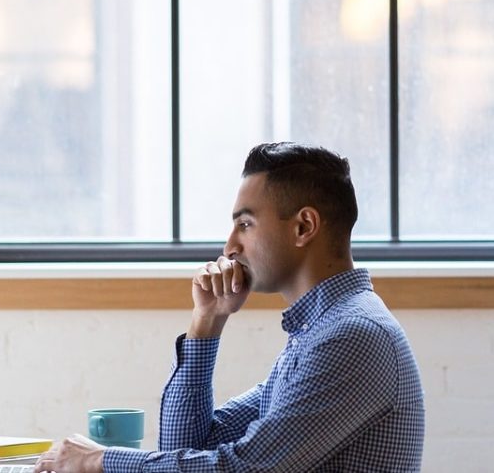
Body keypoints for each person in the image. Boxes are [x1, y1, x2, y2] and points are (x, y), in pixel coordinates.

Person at [36, 142, 425, 473]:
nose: (229, 247)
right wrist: (207, 321)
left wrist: (99, 460)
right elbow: (187, 446)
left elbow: (240, 467)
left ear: (304, 227)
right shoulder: (317, 333)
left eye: (246, 224)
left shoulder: (352, 337)